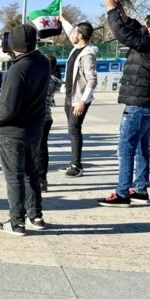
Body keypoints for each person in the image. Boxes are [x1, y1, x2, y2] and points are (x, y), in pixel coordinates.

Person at [98, 0, 150, 207]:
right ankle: (140, 189)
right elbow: (135, 30)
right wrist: (123, 14)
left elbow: (127, 37)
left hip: (139, 105)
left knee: (126, 148)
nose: (142, 27)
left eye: (145, 25)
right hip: (148, 104)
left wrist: (111, 12)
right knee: (142, 148)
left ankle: (122, 193)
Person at [0, 24, 50, 236]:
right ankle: (36, 215)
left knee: (14, 177)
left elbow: (9, 107)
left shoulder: (18, 69)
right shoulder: (43, 62)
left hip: (12, 132)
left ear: (13, 44)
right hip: (34, 128)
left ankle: (17, 222)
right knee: (31, 173)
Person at [58, 16, 98, 178]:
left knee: (74, 130)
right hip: (69, 96)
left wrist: (82, 102)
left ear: (80, 35)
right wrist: (62, 19)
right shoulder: (77, 48)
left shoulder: (87, 54)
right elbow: (69, 32)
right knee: (71, 130)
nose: (72, 34)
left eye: (75, 32)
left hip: (78, 100)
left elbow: (92, 80)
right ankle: (73, 161)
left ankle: (77, 165)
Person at [37, 56, 63, 192]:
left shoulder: (39, 79)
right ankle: (42, 178)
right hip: (47, 117)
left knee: (33, 148)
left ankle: (36, 177)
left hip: (36, 117)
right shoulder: (55, 81)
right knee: (42, 148)